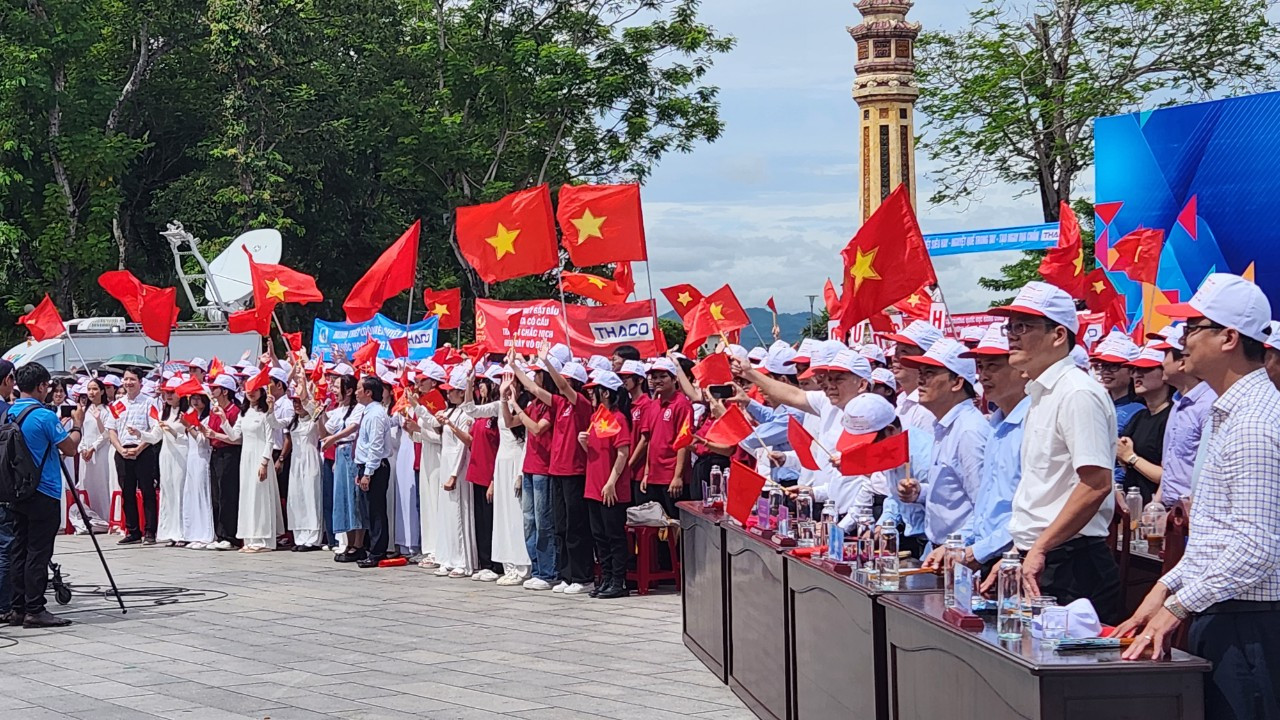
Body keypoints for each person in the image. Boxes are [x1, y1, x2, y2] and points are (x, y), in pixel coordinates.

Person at [1117, 274, 1280, 720]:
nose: (1181, 340)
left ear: (1229, 338)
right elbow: (1217, 535)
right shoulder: (1228, 413)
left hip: (1249, 624)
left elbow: (1255, 548)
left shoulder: (1253, 425)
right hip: (1228, 613)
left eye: (1193, 328)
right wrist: (1165, 588)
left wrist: (1176, 606)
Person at [996, 281, 1122, 624]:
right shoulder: (1041, 394)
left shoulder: (1077, 393)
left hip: (1072, 564)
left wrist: (1037, 547)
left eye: (1024, 326)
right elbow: (1043, 491)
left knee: (1068, 673)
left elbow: (1096, 484)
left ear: (1058, 335)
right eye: (1010, 326)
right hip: (1045, 555)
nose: (1012, 336)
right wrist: (1016, 552)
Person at [924, 322, 1028, 577]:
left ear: (1021, 368)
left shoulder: (1031, 422)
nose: (983, 376)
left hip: (1016, 557)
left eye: (993, 366)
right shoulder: (996, 424)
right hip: (990, 555)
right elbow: (984, 508)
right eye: (980, 367)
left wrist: (974, 551)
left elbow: (1031, 512)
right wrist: (957, 544)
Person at [0, 362, 83, 627]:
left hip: (14, 491)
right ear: (40, 386)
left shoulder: (7, 414)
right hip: (43, 490)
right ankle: (35, 609)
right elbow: (69, 449)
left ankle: (18, 607)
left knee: (18, 549)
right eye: (47, 386)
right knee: (39, 551)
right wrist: (77, 426)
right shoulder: (44, 416)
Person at [895, 338, 988, 552]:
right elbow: (955, 493)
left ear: (956, 382)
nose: (921, 381)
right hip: (944, 550)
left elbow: (985, 508)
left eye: (930, 373)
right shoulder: (945, 426)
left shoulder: (969, 431)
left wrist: (957, 547)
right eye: (920, 373)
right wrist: (921, 492)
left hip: (961, 553)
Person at [538, 355, 594, 595]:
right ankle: (566, 574)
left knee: (576, 526)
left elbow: (560, 386)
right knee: (560, 526)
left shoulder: (581, 403)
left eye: (569, 380)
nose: (564, 383)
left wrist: (547, 362)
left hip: (575, 471)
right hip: (557, 470)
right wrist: (514, 367)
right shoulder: (560, 405)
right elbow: (535, 389)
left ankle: (583, 577)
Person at [208, 379, 285, 553]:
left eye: (255, 390)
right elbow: (235, 436)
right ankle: (250, 538)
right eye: (249, 390)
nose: (251, 393)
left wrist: (264, 462)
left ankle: (264, 541)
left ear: (261, 392)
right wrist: (222, 419)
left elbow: (270, 440)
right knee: (248, 497)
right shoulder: (245, 413)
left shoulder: (266, 413)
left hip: (260, 457)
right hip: (246, 458)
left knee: (261, 497)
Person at [1149, 324, 1215, 509]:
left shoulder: (1209, 404)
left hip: (1195, 514)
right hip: (1172, 513)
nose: (1160, 363)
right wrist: (1157, 504)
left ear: (1182, 362)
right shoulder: (1178, 403)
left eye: (1165, 355)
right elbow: (1171, 465)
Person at [580, 370, 632, 599]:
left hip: (610, 487)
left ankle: (618, 580)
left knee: (614, 535)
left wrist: (611, 482)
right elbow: (594, 452)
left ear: (606, 393)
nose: (592, 394)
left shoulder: (618, 418)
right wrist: (583, 443)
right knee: (599, 535)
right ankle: (606, 577)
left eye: (596, 390)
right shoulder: (595, 417)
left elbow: (622, 453)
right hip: (593, 484)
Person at [508, 355, 557, 590]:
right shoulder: (533, 405)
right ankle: (536, 567)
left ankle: (547, 571)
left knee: (543, 521)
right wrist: (506, 399)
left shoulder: (550, 404)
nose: (534, 377)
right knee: (529, 521)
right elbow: (510, 422)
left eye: (537, 373)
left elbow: (537, 429)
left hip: (544, 469)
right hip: (529, 467)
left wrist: (516, 368)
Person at [108, 367, 160, 545]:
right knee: (127, 493)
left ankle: (150, 531)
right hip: (122, 451)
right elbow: (112, 430)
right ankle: (133, 531)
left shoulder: (149, 402)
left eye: (132, 379)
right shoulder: (117, 404)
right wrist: (120, 449)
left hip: (143, 450)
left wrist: (139, 448)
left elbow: (154, 429)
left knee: (147, 491)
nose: (128, 383)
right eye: (126, 379)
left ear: (140, 382)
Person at [1115, 345, 1174, 504]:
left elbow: (1169, 475)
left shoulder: (1173, 417)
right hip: (1133, 503)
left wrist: (1131, 457)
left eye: (1145, 369)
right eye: (1134, 370)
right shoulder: (1139, 417)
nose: (1136, 374)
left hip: (1157, 508)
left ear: (1164, 374)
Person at [432, 367, 476, 578]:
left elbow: (464, 444)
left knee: (458, 511)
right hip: (445, 460)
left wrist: (454, 474)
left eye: (452, 391)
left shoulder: (465, 414)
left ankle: (462, 560)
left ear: (461, 392)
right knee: (446, 513)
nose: (448, 394)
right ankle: (446, 556)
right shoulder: (449, 411)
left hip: (458, 463)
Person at [639, 357, 695, 519]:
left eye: (663, 376)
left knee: (675, 525)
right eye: (654, 377)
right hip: (655, 476)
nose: (657, 381)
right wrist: (647, 473)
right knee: (658, 527)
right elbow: (651, 440)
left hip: (671, 477)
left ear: (674, 378)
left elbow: (684, 442)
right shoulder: (653, 405)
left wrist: (678, 476)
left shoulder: (682, 404)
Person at [461, 367, 503, 581]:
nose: (480, 388)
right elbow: (471, 440)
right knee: (481, 520)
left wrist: (494, 479)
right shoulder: (481, 413)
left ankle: (496, 564)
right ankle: (484, 562)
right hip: (476, 472)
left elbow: (499, 446)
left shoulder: (496, 413)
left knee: (491, 520)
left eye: (482, 383)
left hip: (491, 474)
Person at [350, 375, 393, 569]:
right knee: (367, 510)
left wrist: (368, 472)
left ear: (368, 392)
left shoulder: (376, 414)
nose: (356, 392)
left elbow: (375, 446)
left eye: (359, 388)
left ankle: (377, 551)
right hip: (366, 465)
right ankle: (371, 548)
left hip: (375, 466)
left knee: (376, 510)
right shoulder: (368, 412)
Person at [322, 375, 366, 561]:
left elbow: (353, 428)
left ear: (348, 390)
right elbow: (327, 429)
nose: (333, 389)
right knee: (342, 498)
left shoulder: (359, 408)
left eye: (337, 386)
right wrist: (319, 413)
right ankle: (347, 542)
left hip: (351, 450)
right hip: (340, 453)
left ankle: (359, 544)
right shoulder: (339, 410)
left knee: (354, 498)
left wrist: (332, 439)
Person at [286, 370, 325, 552]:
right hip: (296, 460)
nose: (297, 405)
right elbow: (274, 423)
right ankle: (300, 536)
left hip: (311, 458)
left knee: (311, 496)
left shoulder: (314, 419)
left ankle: (313, 538)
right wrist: (270, 408)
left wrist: (304, 389)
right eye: (294, 402)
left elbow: (312, 408)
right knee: (297, 497)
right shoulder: (292, 422)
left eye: (299, 401)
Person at [882, 321, 942, 431]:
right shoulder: (903, 400)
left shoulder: (927, 409)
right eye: (896, 351)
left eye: (904, 351)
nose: (895, 358)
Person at [207, 374, 242, 550]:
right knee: (216, 494)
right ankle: (219, 533)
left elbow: (236, 438)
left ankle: (230, 535)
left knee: (227, 494)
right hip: (215, 452)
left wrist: (215, 435)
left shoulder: (234, 411)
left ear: (225, 391)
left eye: (215, 388)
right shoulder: (215, 409)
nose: (212, 391)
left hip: (229, 453)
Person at [155, 378, 190, 546]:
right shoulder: (165, 413)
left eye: (172, 392)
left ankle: (182, 532)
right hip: (166, 455)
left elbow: (189, 438)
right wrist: (139, 433)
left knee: (180, 491)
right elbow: (155, 436)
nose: (168, 395)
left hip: (181, 455)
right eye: (166, 392)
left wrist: (173, 432)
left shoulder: (187, 413)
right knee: (168, 492)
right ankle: (169, 531)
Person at [179, 389, 215, 549]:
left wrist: (190, 427)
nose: (195, 402)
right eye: (193, 398)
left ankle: (205, 533)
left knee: (202, 494)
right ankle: (193, 532)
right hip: (191, 458)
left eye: (199, 399)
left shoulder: (208, 418)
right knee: (191, 494)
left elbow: (203, 441)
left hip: (203, 458)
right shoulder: (192, 416)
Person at [76, 378, 113, 519]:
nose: (92, 392)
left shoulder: (106, 410)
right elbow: (82, 432)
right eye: (89, 389)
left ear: (102, 391)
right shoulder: (85, 410)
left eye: (95, 389)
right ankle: (89, 515)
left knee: (101, 484)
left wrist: (93, 448)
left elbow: (106, 434)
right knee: (86, 484)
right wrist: (83, 448)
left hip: (101, 452)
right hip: (86, 453)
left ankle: (105, 516)